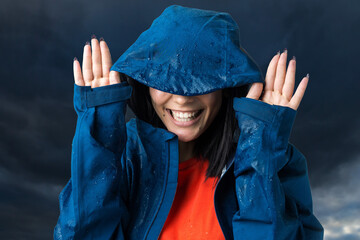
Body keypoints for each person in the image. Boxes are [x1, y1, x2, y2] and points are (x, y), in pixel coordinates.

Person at [54, 5, 323, 240]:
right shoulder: (124, 157)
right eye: (164, 80)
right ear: (145, 86)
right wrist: (99, 136)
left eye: (201, 82)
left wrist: (259, 153)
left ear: (225, 88)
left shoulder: (274, 159)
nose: (182, 99)